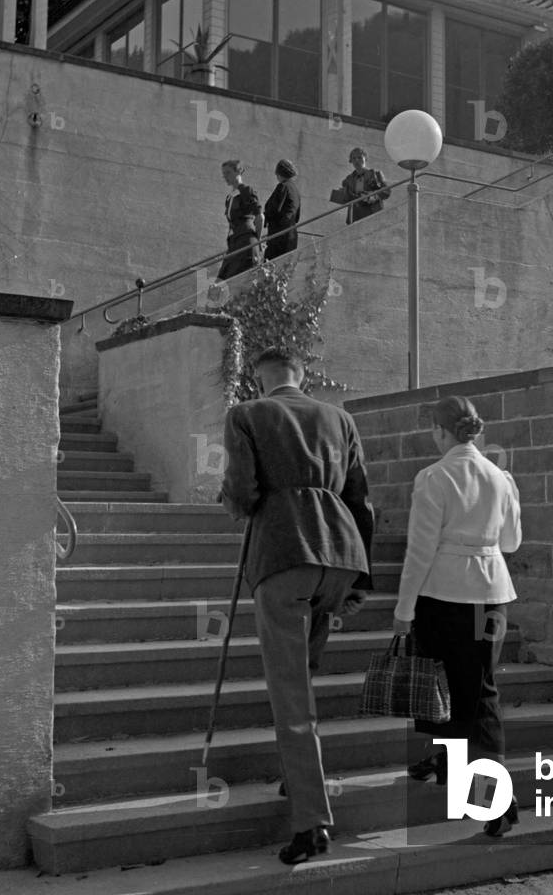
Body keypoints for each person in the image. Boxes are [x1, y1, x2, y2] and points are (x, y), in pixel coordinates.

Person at [219, 346, 375, 865]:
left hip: (284, 553)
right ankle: (297, 778)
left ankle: (311, 824)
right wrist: (358, 583)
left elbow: (242, 491)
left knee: (290, 695)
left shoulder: (244, 414)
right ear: (300, 376)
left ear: (257, 378)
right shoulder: (340, 417)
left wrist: (234, 505)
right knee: (303, 677)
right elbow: (361, 499)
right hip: (341, 555)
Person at [392, 396, 522, 838]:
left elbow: (420, 551)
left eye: (434, 430)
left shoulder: (434, 477)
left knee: (450, 691)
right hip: (491, 595)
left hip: (443, 595)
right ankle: (457, 774)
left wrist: (403, 610)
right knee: (478, 690)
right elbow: (511, 542)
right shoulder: (501, 478)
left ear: (441, 431)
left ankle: (492, 797)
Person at [216, 160, 264, 281]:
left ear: (238, 172)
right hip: (234, 243)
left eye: (228, 172)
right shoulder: (230, 196)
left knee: (233, 284)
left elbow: (260, 217)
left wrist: (257, 241)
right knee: (219, 284)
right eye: (223, 174)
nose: (225, 177)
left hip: (246, 242)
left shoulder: (247, 191)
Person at [337, 147, 390, 224]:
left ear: (365, 158)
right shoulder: (348, 180)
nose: (356, 160)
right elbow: (347, 199)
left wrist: (373, 197)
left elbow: (386, 191)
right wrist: (342, 194)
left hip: (372, 213)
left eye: (359, 157)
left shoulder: (376, 174)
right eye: (354, 158)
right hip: (355, 216)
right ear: (351, 161)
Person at [264, 159, 301, 260]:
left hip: (279, 238)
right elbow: (296, 216)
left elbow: (273, 210)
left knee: (269, 269)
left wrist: (263, 217)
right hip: (291, 236)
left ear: (279, 173)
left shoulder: (283, 187)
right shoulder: (294, 189)